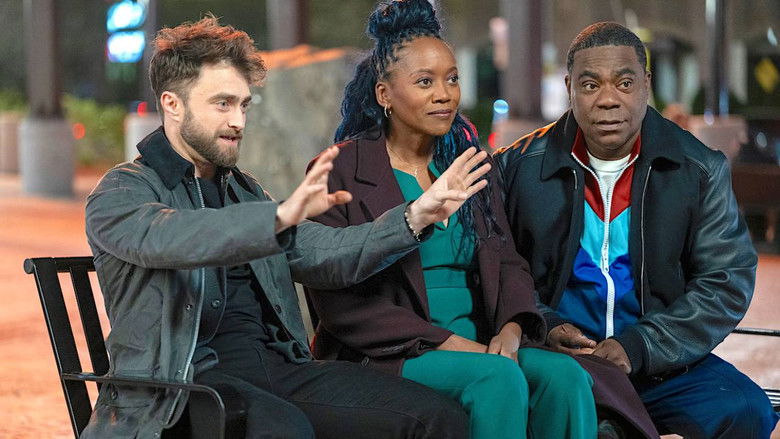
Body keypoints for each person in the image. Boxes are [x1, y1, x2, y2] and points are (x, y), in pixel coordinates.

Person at [81, 16, 495, 439]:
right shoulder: (122, 191)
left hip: (278, 371)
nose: (238, 121)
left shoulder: (243, 191)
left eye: (244, 105)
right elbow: (171, 236)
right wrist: (277, 217)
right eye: (222, 104)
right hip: (182, 391)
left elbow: (323, 252)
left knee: (436, 416)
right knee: (286, 428)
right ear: (172, 104)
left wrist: (414, 216)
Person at [305, 2, 655, 438]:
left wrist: (511, 329)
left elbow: (507, 261)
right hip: (391, 352)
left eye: (452, 79)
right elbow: (340, 305)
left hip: (483, 338)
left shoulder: (470, 162)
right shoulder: (339, 170)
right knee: (497, 377)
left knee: (564, 377)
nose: (444, 94)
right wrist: (455, 345)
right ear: (384, 94)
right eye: (425, 82)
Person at [495, 21, 780, 439]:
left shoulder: (698, 168)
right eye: (590, 85)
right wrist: (544, 323)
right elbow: (498, 265)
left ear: (646, 84)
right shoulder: (517, 167)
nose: (608, 99)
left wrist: (640, 346)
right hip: (562, 359)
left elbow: (726, 280)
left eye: (625, 83)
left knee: (746, 408)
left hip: (660, 363)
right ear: (569, 88)